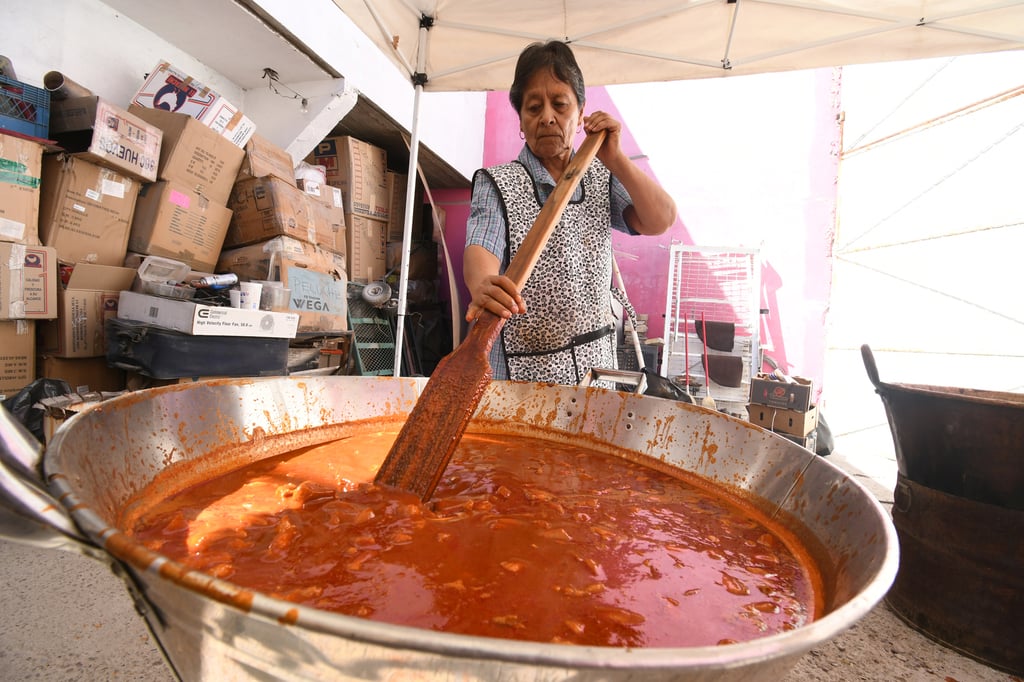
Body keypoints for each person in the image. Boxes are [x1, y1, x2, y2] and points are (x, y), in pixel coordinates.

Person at [464, 40, 677, 385]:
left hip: (596, 373)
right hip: (525, 373)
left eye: (560, 105)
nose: (547, 116)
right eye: (533, 108)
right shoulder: (498, 183)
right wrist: (483, 284)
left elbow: (661, 219)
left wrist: (615, 158)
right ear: (521, 120)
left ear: (581, 115)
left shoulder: (601, 175)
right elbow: (480, 248)